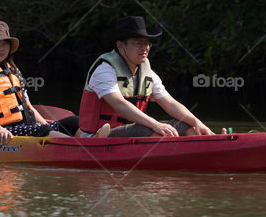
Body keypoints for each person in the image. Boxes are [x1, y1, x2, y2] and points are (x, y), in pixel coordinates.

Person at [78, 16, 221, 138]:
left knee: (184, 124)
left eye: (146, 43)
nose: (144, 48)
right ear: (120, 45)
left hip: (132, 132)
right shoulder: (104, 70)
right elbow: (119, 104)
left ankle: (204, 145)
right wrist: (155, 124)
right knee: (155, 130)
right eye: (137, 43)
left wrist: (197, 123)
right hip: (99, 136)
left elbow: (170, 103)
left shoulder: (148, 74)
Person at [0, 21, 87, 144]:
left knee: (74, 122)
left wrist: (48, 127)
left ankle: (94, 141)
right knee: (41, 130)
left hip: (25, 126)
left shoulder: (12, 69)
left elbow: (28, 106)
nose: (0, 48)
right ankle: (82, 149)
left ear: (9, 47)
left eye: (4, 44)